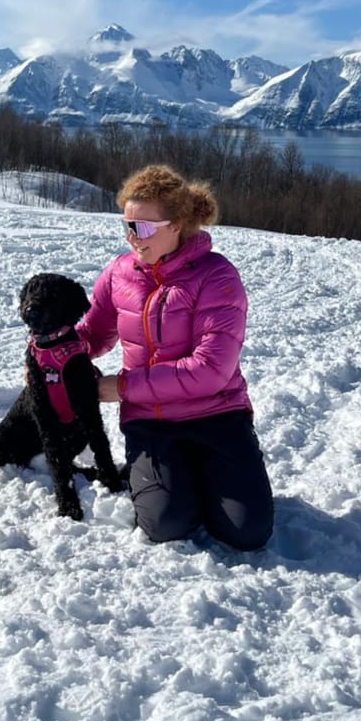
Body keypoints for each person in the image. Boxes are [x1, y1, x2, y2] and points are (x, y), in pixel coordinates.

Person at [77, 164, 274, 550]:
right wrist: (50, 356)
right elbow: (93, 334)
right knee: (166, 524)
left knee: (247, 532)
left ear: (177, 225)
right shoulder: (119, 273)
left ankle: (222, 467)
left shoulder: (217, 277)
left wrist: (121, 387)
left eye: (144, 228)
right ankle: (183, 478)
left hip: (217, 415)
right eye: (127, 226)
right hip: (152, 423)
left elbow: (211, 371)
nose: (133, 238)